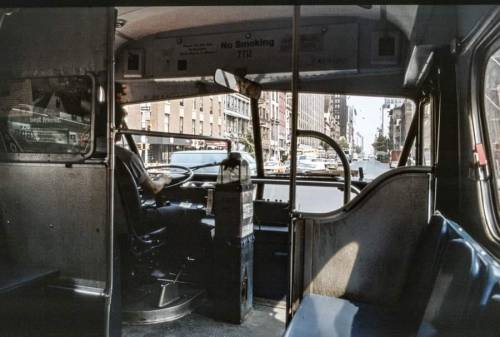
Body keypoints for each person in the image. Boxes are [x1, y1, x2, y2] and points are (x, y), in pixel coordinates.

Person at [114, 103, 172, 195]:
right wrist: (163, 179)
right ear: (116, 128)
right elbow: (153, 188)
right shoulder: (128, 158)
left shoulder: (88, 155)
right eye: (122, 125)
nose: (123, 128)